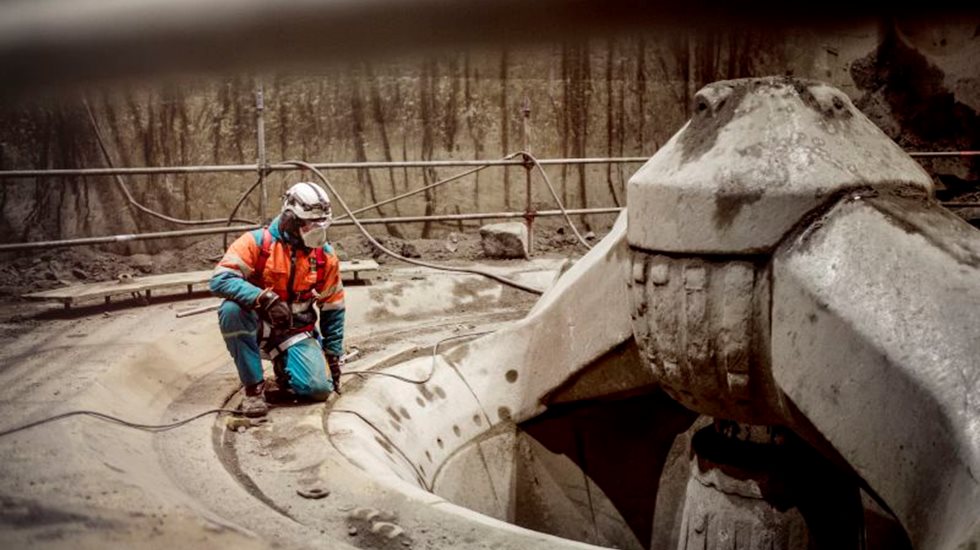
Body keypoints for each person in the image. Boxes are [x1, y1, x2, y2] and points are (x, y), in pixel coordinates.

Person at [210, 181, 345, 417]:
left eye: (321, 223)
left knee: (318, 390)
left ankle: (286, 370)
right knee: (231, 311)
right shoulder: (256, 243)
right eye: (310, 224)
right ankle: (254, 390)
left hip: (294, 330)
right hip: (258, 325)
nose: (316, 230)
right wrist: (264, 299)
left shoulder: (325, 256)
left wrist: (333, 356)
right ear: (290, 218)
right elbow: (220, 279)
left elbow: (334, 306)